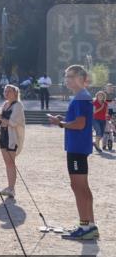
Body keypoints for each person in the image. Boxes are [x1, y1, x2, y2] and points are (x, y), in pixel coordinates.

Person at [47, 65, 98, 241]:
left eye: (70, 76)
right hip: (79, 147)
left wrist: (60, 123)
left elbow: (80, 124)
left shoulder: (82, 97)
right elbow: (78, 121)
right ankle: (90, 226)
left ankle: (85, 227)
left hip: (77, 148)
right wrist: (63, 119)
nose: (66, 79)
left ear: (80, 78)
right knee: (83, 187)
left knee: (78, 187)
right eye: (66, 76)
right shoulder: (82, 96)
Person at [0, 83, 24, 198]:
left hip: (12, 137)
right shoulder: (5, 104)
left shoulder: (18, 105)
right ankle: (9, 187)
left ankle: (12, 188)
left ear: (15, 93)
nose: (6, 93)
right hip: (3, 135)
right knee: (7, 163)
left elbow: (13, 123)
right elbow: (1, 120)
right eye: (5, 91)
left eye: (9, 91)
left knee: (11, 163)